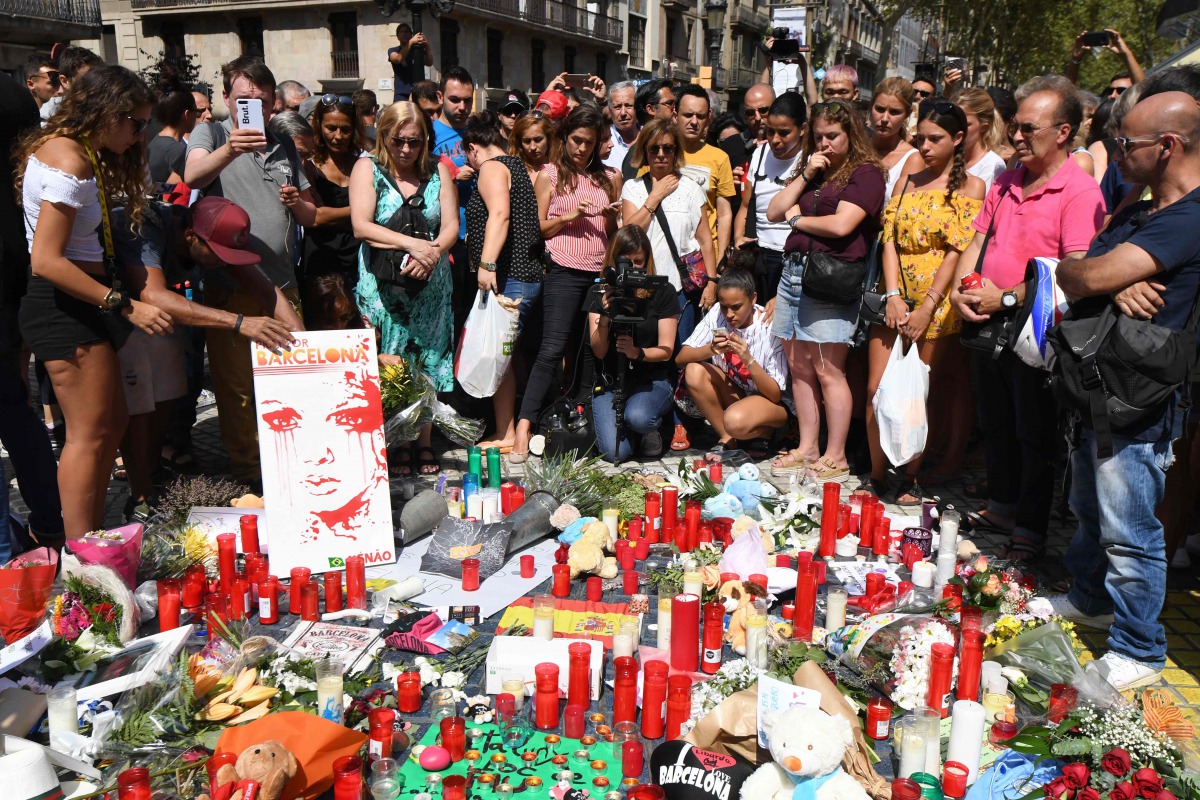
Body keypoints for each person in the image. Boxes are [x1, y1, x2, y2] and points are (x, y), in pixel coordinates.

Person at [1049, 91, 1200, 690]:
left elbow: (1090, 270)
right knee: (1091, 509)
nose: (1115, 153)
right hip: (1099, 384)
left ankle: (1140, 647)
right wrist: (1110, 285)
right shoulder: (1139, 210)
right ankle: (1090, 597)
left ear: (1169, 147)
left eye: (1125, 144)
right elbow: (1077, 267)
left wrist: (1103, 277)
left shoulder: (1190, 216)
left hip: (1143, 397)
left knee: (1131, 528)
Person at [948, 75, 1104, 561]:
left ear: (1063, 133)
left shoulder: (1078, 192)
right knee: (995, 418)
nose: (1015, 136)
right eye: (1014, 127)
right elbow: (978, 240)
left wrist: (1008, 299)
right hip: (986, 320)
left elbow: (1074, 272)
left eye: (1027, 128)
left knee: (1034, 430)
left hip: (1037, 329)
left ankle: (1030, 529)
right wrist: (959, 288)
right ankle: (1002, 504)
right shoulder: (1006, 179)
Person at [15, 66, 172, 541]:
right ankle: (81, 553)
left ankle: (91, 539)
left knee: (111, 423)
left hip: (78, 303)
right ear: (107, 113)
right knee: (90, 435)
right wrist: (124, 304)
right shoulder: (70, 161)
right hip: (63, 306)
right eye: (136, 123)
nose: (140, 134)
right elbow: (45, 259)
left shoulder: (73, 151)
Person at [113, 197, 301, 519]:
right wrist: (239, 322)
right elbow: (152, 294)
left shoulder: (210, 239)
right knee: (140, 401)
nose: (222, 262)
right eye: (217, 254)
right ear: (190, 236)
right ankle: (139, 490)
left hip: (155, 315)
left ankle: (154, 468)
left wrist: (303, 344)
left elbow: (265, 289)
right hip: (114, 308)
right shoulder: (144, 227)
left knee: (173, 386)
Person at [184, 55, 317, 486]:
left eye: (259, 102)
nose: (252, 110)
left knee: (287, 384)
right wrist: (230, 149)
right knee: (238, 392)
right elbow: (193, 174)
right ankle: (248, 475)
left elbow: (312, 216)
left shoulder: (283, 142)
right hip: (232, 286)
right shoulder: (212, 132)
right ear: (226, 99)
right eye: (243, 100)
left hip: (283, 283)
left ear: (273, 104)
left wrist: (296, 202)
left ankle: (290, 465)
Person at [865, 100, 985, 503]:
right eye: (920, 139)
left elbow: (957, 252)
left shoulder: (972, 188)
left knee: (918, 393)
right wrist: (895, 296)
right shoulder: (907, 179)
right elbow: (889, 241)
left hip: (936, 303)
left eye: (935, 139)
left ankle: (909, 477)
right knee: (876, 389)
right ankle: (878, 473)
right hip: (895, 295)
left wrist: (927, 306)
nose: (926, 147)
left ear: (958, 139)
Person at [767, 101, 886, 481]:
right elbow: (773, 211)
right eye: (818, 137)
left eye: (832, 136)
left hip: (832, 276)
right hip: (795, 271)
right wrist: (805, 174)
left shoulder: (866, 173)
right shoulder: (815, 170)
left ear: (851, 135)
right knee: (799, 366)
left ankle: (837, 454)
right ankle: (807, 447)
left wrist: (799, 221)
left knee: (828, 368)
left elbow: (842, 225)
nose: (824, 144)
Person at [350, 101, 458, 475]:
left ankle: (424, 443)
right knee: (392, 363)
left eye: (415, 141)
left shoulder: (439, 171)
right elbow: (361, 226)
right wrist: (411, 245)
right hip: (383, 287)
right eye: (400, 141)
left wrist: (431, 254)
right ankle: (395, 442)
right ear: (385, 137)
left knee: (426, 363)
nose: (407, 150)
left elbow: (450, 226)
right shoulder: (367, 168)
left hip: (430, 285)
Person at [511, 106, 622, 462]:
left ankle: (579, 426)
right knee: (551, 349)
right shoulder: (550, 174)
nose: (582, 149)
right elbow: (537, 229)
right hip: (562, 270)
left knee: (591, 352)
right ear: (565, 137)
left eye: (590, 143)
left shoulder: (610, 176)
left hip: (598, 273)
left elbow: (615, 235)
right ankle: (523, 427)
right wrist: (573, 214)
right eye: (577, 140)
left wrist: (609, 220)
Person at [0, 68, 64, 554]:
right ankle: (48, 522)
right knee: (18, 413)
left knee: (16, 412)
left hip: (13, 279)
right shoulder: (11, 92)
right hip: (15, 280)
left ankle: (12, 546)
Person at [463, 112, 545, 452]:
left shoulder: (492, 168)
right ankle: (505, 430)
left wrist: (486, 263)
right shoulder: (513, 165)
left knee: (499, 355)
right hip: (522, 276)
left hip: (510, 277)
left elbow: (500, 214)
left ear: (472, 148)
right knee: (505, 357)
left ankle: (507, 433)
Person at [621, 117, 718, 342]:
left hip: (680, 288)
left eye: (668, 148)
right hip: (641, 286)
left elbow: (705, 240)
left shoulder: (691, 189)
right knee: (645, 348)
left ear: (676, 152)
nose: (661, 154)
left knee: (681, 351)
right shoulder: (632, 187)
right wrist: (656, 195)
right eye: (654, 148)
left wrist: (712, 282)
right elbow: (629, 233)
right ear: (644, 151)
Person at [587, 226, 679, 462]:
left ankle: (649, 427)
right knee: (614, 452)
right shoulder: (600, 291)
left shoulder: (663, 291)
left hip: (651, 379)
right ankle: (628, 427)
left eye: (639, 262)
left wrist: (637, 353)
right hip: (612, 382)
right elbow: (599, 351)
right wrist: (606, 315)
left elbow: (667, 351)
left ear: (647, 261)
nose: (632, 268)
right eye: (626, 262)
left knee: (639, 417)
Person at [676, 269, 789, 452]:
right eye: (724, 306)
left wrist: (748, 358)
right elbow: (681, 359)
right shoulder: (717, 314)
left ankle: (766, 430)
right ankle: (728, 437)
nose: (729, 314)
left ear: (753, 299)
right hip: (738, 395)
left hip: (771, 403)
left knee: (734, 420)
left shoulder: (769, 326)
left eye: (736, 307)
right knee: (694, 371)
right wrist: (711, 349)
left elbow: (775, 395)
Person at [733, 92, 806, 304]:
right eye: (770, 131)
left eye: (784, 133)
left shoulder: (810, 159)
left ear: (802, 129)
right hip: (758, 255)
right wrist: (739, 238)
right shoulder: (760, 153)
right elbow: (746, 205)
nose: (775, 140)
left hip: (792, 257)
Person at [302, 94, 367, 292]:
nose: (338, 136)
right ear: (319, 126)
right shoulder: (309, 165)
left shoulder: (363, 164)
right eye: (331, 128)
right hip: (321, 259)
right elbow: (315, 217)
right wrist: (359, 210)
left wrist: (329, 214)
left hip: (359, 259)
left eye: (345, 129)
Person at [674, 85, 736, 279]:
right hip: (666, 250)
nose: (694, 122)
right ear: (675, 116)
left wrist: (720, 259)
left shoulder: (720, 158)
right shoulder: (660, 152)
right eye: (688, 115)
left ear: (709, 116)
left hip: (704, 257)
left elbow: (724, 213)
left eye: (700, 116)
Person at [870, 77, 921, 198]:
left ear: (908, 114)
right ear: (871, 107)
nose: (884, 119)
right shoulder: (855, 147)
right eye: (880, 109)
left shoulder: (913, 159)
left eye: (894, 112)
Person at [953, 87, 1008, 191]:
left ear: (984, 127)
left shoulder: (992, 165)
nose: (957, 128)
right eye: (953, 121)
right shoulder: (949, 158)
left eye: (965, 124)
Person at [621, 78, 676, 179]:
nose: (674, 108)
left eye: (668, 149)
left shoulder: (677, 144)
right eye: (669, 103)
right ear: (650, 109)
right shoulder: (637, 154)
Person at [1067, 28, 1145, 95]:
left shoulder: (1134, 108)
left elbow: (1141, 90)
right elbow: (1068, 95)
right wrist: (1075, 60)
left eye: (1121, 91)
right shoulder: (1100, 110)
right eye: (1110, 91)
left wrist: (1126, 54)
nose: (1113, 95)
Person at [148, 85, 197, 185]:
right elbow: (172, 191)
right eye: (196, 111)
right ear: (187, 114)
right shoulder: (179, 151)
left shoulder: (154, 142)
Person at [388, 23, 433, 102]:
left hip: (418, 92)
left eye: (406, 31)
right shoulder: (393, 50)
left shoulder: (416, 51)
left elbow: (429, 62)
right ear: (397, 36)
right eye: (401, 32)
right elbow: (398, 59)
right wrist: (411, 42)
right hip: (401, 93)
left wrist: (427, 46)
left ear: (411, 35)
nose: (404, 34)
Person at [509, 112, 554, 183]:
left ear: (548, 137)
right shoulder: (513, 170)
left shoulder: (561, 168)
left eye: (538, 140)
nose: (533, 147)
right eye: (526, 141)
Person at [605, 81, 639, 170]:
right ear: (610, 110)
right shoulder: (602, 141)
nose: (623, 113)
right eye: (617, 107)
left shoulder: (650, 136)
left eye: (629, 106)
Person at [741, 83, 777, 152]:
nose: (757, 118)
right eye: (750, 112)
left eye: (763, 110)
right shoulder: (731, 146)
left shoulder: (789, 145)